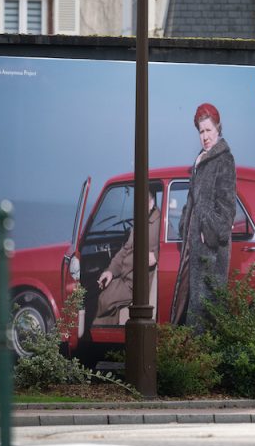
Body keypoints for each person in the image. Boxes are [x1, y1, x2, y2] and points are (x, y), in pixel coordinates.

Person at [169, 102, 237, 332]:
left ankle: (202, 366)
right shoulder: (201, 160)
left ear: (218, 128)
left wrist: (206, 232)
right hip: (193, 250)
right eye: (201, 131)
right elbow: (192, 203)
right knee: (187, 311)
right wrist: (184, 226)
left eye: (209, 130)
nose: (205, 136)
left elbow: (226, 214)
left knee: (205, 318)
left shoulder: (224, 160)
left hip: (211, 254)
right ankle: (191, 364)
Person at [93, 190, 160, 325]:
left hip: (136, 284)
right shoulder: (140, 222)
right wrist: (110, 271)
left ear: (152, 203)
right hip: (126, 277)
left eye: (144, 202)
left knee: (104, 299)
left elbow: (173, 247)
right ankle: (104, 338)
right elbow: (125, 251)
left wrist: (157, 255)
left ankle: (98, 336)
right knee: (102, 291)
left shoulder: (160, 223)